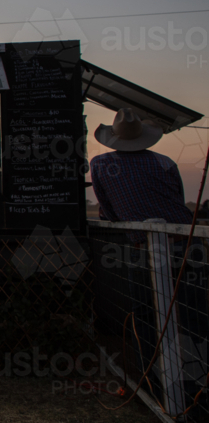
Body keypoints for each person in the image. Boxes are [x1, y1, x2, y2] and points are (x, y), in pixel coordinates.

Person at [90, 108, 206, 410]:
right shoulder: (165, 162)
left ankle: (157, 390)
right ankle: (195, 392)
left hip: (143, 249)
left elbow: (110, 212)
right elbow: (178, 202)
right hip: (185, 244)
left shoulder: (100, 164)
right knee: (193, 322)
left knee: (147, 320)